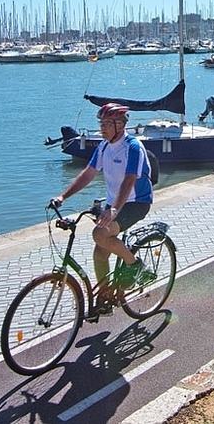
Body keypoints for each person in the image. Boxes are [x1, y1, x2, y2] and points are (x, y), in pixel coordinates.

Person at [51, 103, 155, 313]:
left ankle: (135, 266)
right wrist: (63, 196)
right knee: (100, 251)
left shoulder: (133, 147)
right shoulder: (104, 146)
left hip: (136, 202)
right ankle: (106, 298)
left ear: (121, 125)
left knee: (100, 233)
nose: (103, 128)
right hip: (114, 202)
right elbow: (89, 173)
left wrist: (114, 209)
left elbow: (129, 180)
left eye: (108, 123)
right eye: (101, 123)